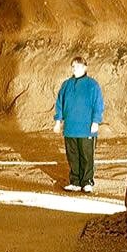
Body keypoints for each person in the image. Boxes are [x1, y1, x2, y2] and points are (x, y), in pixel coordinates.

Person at [53, 56, 104, 193]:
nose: (75, 69)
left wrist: (96, 122)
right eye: (73, 66)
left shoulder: (92, 85)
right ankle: (75, 181)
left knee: (87, 156)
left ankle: (87, 182)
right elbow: (59, 104)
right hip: (70, 128)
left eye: (78, 66)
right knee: (73, 156)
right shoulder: (66, 85)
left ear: (85, 67)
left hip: (86, 128)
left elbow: (98, 104)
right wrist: (58, 121)